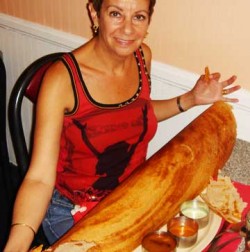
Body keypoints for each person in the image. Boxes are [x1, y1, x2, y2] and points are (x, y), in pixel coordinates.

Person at [4, 0, 241, 251]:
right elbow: (40, 178)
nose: (127, 30)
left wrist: (191, 99)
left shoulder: (141, 56)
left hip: (131, 195)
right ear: (95, 14)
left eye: (138, 17)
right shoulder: (61, 80)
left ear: (148, 21)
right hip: (72, 210)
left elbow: (138, 115)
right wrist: (18, 242)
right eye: (116, 14)